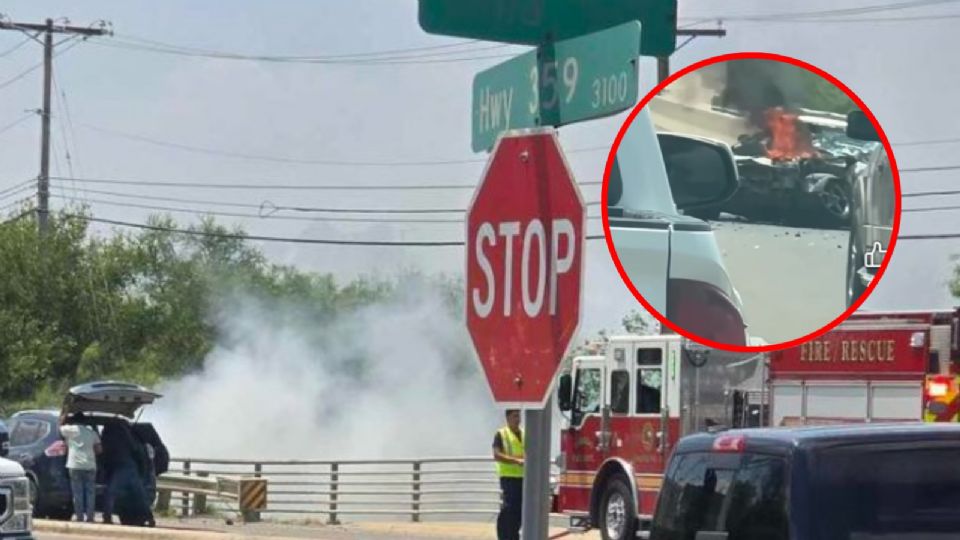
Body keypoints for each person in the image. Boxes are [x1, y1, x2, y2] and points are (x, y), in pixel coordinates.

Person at [100, 419, 153, 526]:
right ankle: (150, 518)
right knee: (140, 495)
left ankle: (107, 517)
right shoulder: (127, 436)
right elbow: (136, 450)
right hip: (131, 468)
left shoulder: (108, 437)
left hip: (119, 468)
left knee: (110, 493)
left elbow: (104, 455)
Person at [59, 411, 101, 523]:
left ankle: (79, 517)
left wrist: (64, 416)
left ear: (74, 421)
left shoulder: (71, 430)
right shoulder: (92, 433)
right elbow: (99, 450)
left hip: (74, 465)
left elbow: (60, 428)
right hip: (90, 465)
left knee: (77, 493)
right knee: (90, 492)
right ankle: (90, 518)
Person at [492, 409, 524, 540]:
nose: (518, 419)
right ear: (508, 418)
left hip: (524, 478)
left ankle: (510, 536)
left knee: (519, 511)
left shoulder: (524, 433)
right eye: (515, 416)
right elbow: (496, 454)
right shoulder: (501, 434)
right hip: (509, 477)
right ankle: (508, 537)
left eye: (519, 416)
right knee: (510, 509)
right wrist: (516, 461)